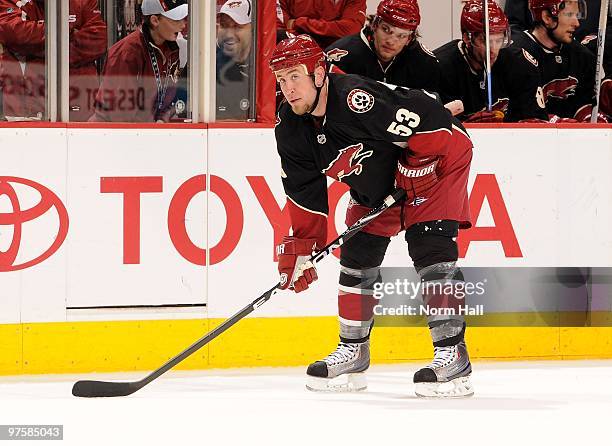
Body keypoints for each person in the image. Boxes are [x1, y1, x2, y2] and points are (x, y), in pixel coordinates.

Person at [271, 35, 474, 397]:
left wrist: (418, 164)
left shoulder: (354, 99)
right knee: (358, 253)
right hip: (381, 180)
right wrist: (303, 246)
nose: (288, 88)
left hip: (439, 159)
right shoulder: (290, 126)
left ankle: (452, 354)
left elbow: (430, 112)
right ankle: (354, 350)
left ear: (319, 74)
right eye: (281, 80)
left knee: (429, 246)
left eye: (295, 77)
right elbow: (305, 192)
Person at [434, 0, 548, 122]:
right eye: (486, 41)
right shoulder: (440, 66)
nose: (493, 50)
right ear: (467, 38)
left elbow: (535, 122)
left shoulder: (519, 63)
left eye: (498, 41)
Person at [0, 0, 107, 121]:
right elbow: (15, 34)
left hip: (80, 105)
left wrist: (37, 49)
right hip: (25, 109)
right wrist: (67, 33)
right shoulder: (10, 1)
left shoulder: (83, 1)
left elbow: (99, 40)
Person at [90, 0, 187, 122]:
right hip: (111, 132)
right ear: (155, 20)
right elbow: (120, 112)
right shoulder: (127, 53)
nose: (183, 25)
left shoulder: (172, 49)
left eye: (183, 18)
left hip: (144, 130)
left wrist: (162, 119)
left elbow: (168, 97)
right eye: (176, 20)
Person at [325, 0, 441, 95]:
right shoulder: (341, 57)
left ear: (409, 39)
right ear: (374, 25)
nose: (391, 41)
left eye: (401, 36)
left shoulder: (425, 63)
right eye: (386, 30)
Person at [510, 0, 599, 120]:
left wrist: (589, 116)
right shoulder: (517, 55)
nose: (577, 23)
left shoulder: (581, 55)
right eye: (569, 15)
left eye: (576, 15)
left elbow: (584, 101)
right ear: (547, 17)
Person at [216, 0, 253, 120]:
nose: (229, 35)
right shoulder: (204, 62)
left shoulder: (273, 54)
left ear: (254, 28)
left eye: (237, 26)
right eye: (224, 25)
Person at [276, 0, 367, 49]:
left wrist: (300, 23)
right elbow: (280, 32)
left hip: (336, 55)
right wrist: (331, 32)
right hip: (296, 54)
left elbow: (351, 30)